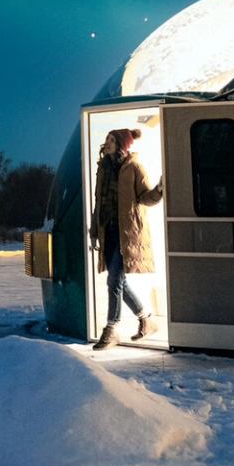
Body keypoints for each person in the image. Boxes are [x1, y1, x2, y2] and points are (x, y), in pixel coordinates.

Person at [91, 127, 164, 349]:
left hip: (128, 233)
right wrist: (95, 230)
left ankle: (112, 329)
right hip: (109, 231)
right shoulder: (103, 168)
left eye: (112, 139)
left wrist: (159, 190)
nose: (108, 142)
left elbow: (144, 197)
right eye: (107, 138)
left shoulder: (134, 166)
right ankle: (146, 319)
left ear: (122, 144)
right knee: (119, 281)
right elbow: (98, 201)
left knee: (113, 280)